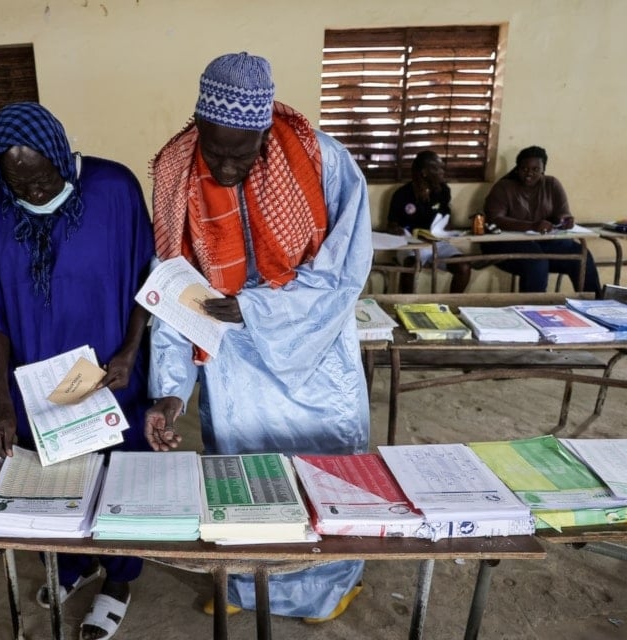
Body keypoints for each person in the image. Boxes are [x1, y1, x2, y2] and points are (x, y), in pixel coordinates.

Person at [146, 53, 372, 622]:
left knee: (321, 475)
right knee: (246, 475)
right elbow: (176, 287)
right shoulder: (178, 174)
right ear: (197, 126)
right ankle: (247, 585)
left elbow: (343, 274)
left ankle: (326, 589)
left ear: (265, 132)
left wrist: (254, 308)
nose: (224, 167)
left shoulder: (324, 162)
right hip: (231, 361)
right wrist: (171, 390)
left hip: (312, 348)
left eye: (240, 153)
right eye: (214, 149)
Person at [0, 102, 153, 640]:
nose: (36, 192)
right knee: (52, 482)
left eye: (44, 177)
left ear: (60, 155)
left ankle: (119, 580)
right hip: (41, 388)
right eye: (19, 182)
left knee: (121, 478)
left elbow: (148, 278)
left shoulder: (113, 188)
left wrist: (130, 353)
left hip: (112, 375)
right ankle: (72, 564)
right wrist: (2, 403)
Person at [482, 145, 602, 295]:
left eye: (535, 169)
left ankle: (594, 307)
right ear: (517, 168)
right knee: (536, 262)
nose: (529, 174)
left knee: (581, 255)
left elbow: (563, 213)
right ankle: (532, 312)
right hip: (506, 244)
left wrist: (565, 220)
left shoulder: (552, 184)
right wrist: (532, 225)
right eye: (524, 169)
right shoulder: (503, 187)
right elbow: (495, 219)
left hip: (543, 242)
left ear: (543, 169)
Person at [387, 150, 471, 293]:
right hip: (411, 245)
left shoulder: (443, 191)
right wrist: (399, 231)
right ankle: (405, 308)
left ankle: (451, 307)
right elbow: (391, 225)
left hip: (438, 243)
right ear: (424, 172)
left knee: (463, 266)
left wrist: (449, 231)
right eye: (437, 168)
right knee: (411, 267)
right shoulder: (402, 194)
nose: (442, 172)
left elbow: (445, 219)